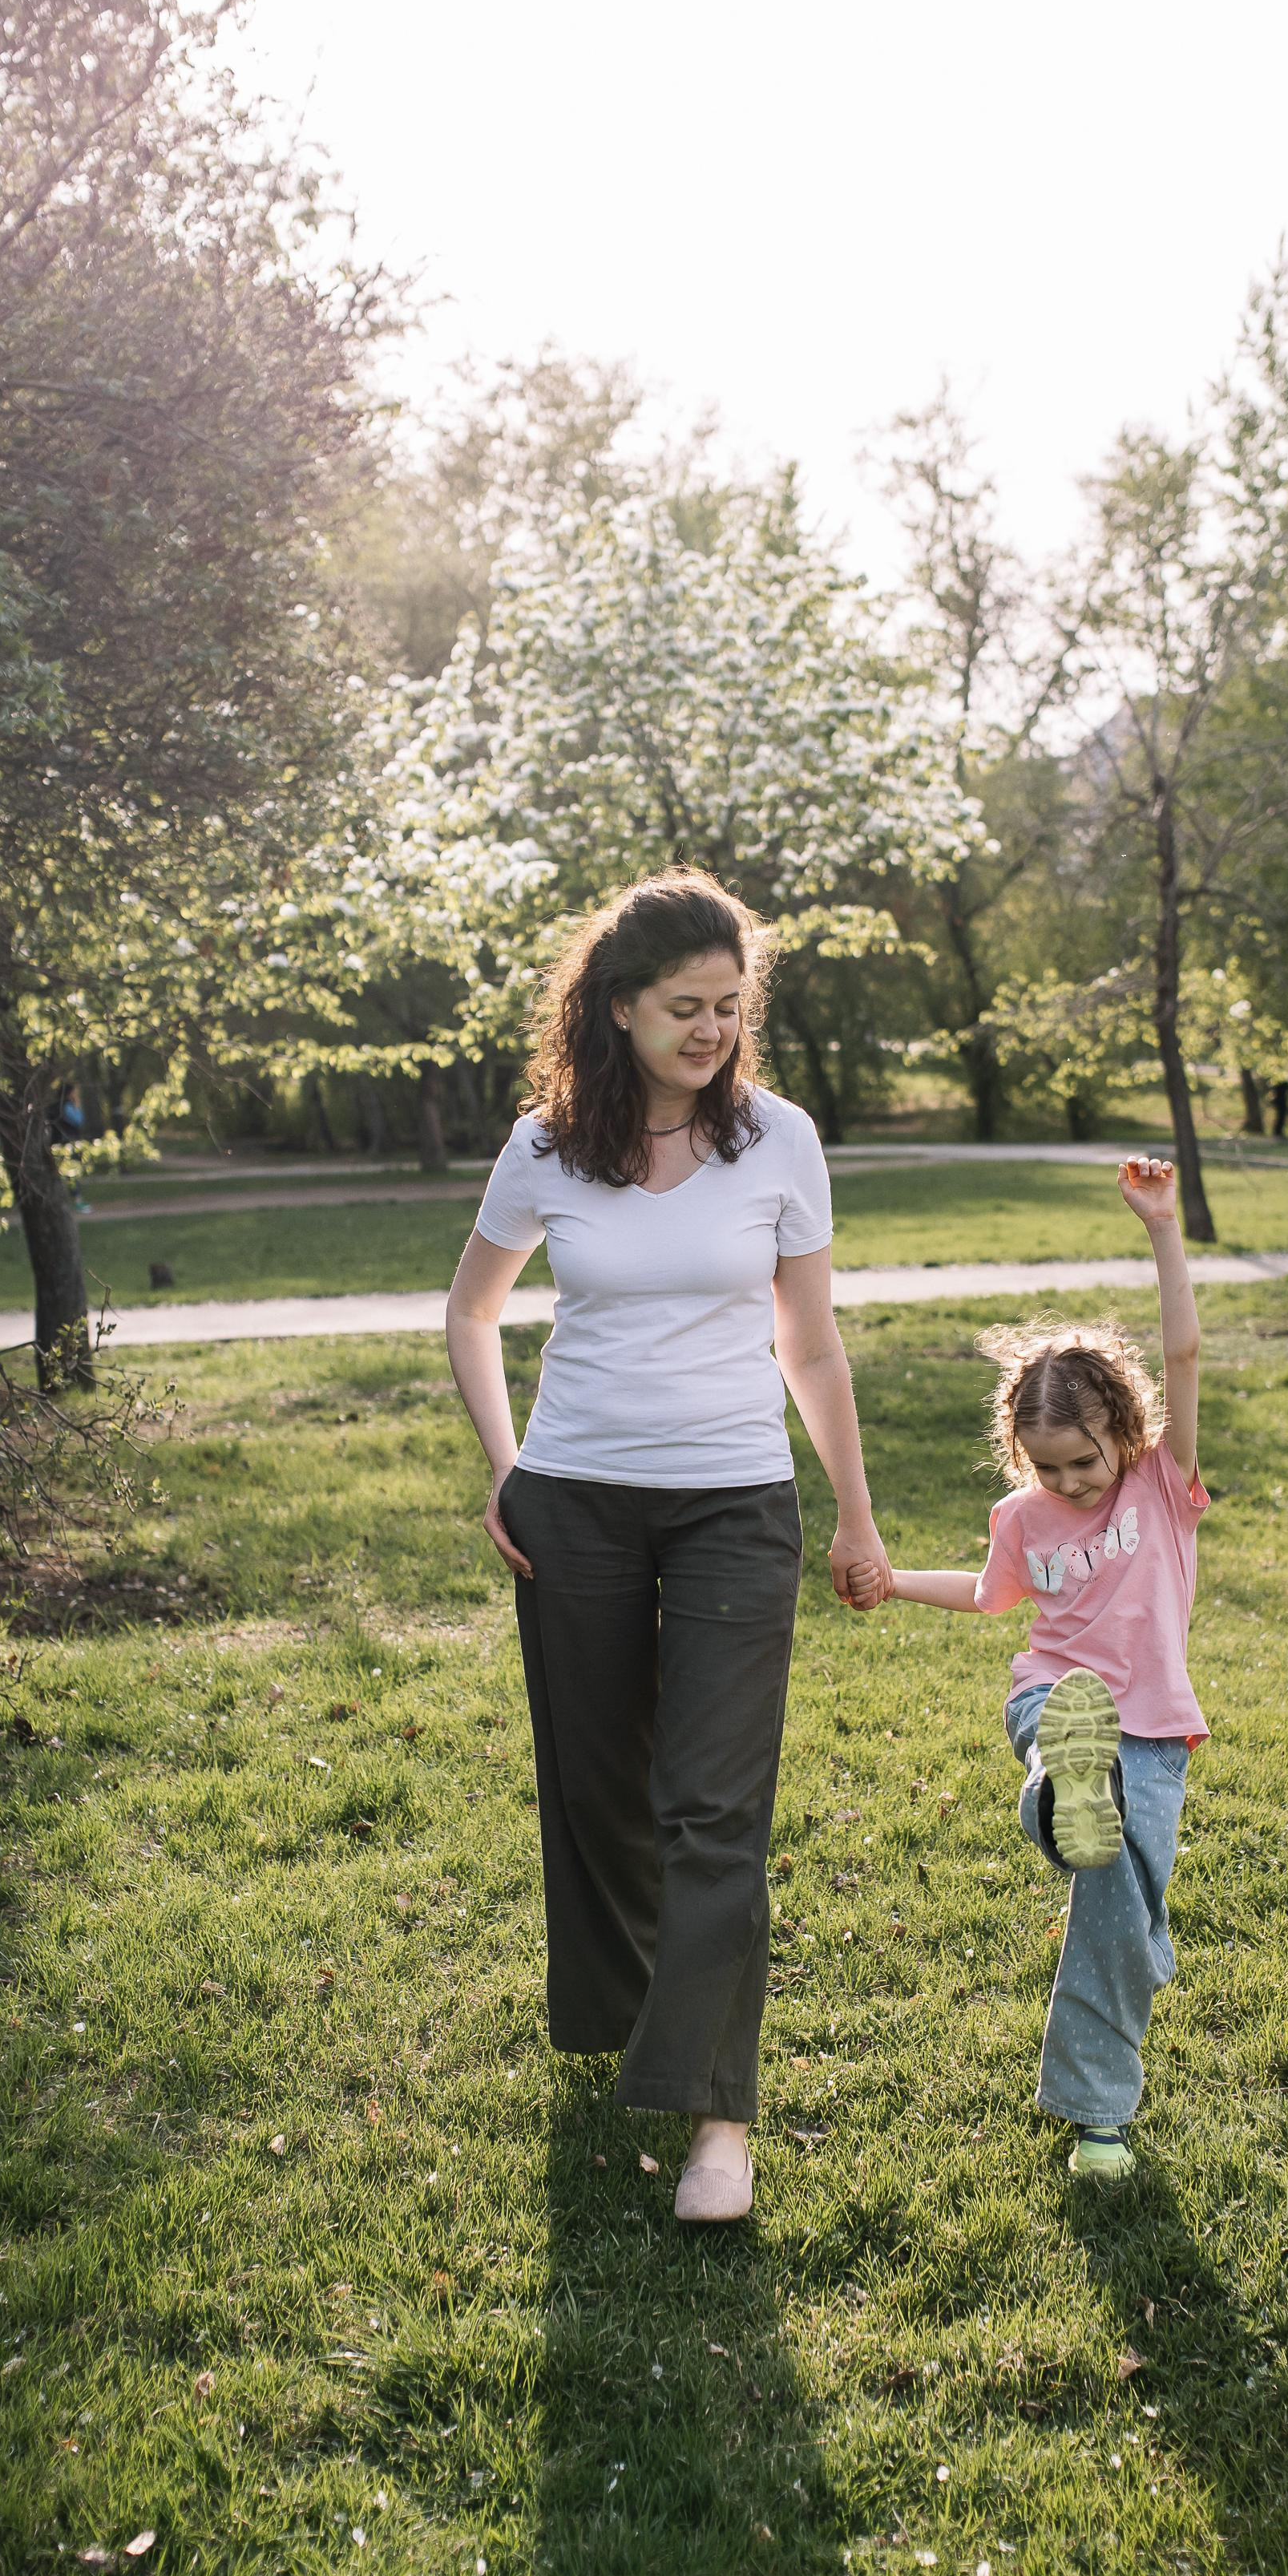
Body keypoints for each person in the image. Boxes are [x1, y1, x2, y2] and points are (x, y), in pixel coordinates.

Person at [444, 870, 888, 2225]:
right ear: (619, 1007)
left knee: (714, 1811)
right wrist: (507, 1475)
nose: (710, 1031)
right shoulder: (546, 1148)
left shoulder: (781, 1143)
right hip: (572, 1501)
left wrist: (855, 1511)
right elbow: (470, 1317)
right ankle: (632, 2013)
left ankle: (716, 2120)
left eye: (729, 1008)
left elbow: (806, 1342)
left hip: (730, 1504)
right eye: (684, 1008)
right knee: (597, 1791)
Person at [846, 1156, 1206, 2182]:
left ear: (1125, 1434)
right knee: (1068, 1750)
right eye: (1046, 1466)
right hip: (1053, 1700)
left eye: (1083, 1462)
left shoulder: (1160, 1485)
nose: (1068, 1481)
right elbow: (989, 1595)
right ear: (1020, 1456)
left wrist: (1162, 1229)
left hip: (1155, 1724)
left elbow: (1180, 1348)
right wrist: (890, 1582)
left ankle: (1099, 2114)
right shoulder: (1022, 1518)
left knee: (1116, 1908)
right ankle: (1053, 1790)